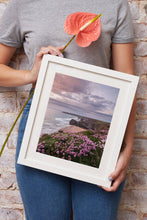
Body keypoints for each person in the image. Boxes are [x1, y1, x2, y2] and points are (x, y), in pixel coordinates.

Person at [0, 0, 136, 219]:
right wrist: (30, 75)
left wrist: (126, 148)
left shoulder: (114, 4)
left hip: (105, 127)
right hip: (38, 121)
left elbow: (128, 83)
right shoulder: (22, 4)